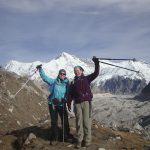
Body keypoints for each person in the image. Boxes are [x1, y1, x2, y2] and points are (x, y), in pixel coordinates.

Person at [68, 56, 100, 149]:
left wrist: (96, 63)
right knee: (78, 123)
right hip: (77, 104)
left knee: (86, 122)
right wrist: (69, 103)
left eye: (78, 70)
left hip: (86, 103)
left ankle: (87, 141)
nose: (76, 72)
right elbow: (70, 94)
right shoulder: (73, 82)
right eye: (75, 71)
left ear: (82, 71)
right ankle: (79, 141)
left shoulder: (87, 78)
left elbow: (96, 73)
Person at [36, 65, 72, 145]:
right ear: (59, 74)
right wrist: (40, 69)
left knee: (65, 121)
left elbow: (68, 94)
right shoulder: (54, 81)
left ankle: (66, 136)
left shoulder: (67, 84)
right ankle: (55, 137)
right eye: (61, 74)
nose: (62, 75)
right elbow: (45, 78)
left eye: (64, 74)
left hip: (62, 104)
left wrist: (65, 99)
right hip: (53, 104)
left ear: (65, 75)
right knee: (54, 121)